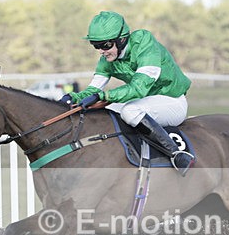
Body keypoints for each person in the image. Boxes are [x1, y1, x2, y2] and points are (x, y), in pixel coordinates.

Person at [60, 11, 195, 176]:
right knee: (104, 114)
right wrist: (71, 97)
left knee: (129, 111)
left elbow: (139, 88)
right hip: (146, 102)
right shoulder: (107, 60)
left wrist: (104, 96)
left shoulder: (144, 43)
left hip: (172, 101)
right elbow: (93, 89)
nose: (101, 51)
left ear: (121, 39)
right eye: (96, 45)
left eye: (106, 45)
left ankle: (177, 155)